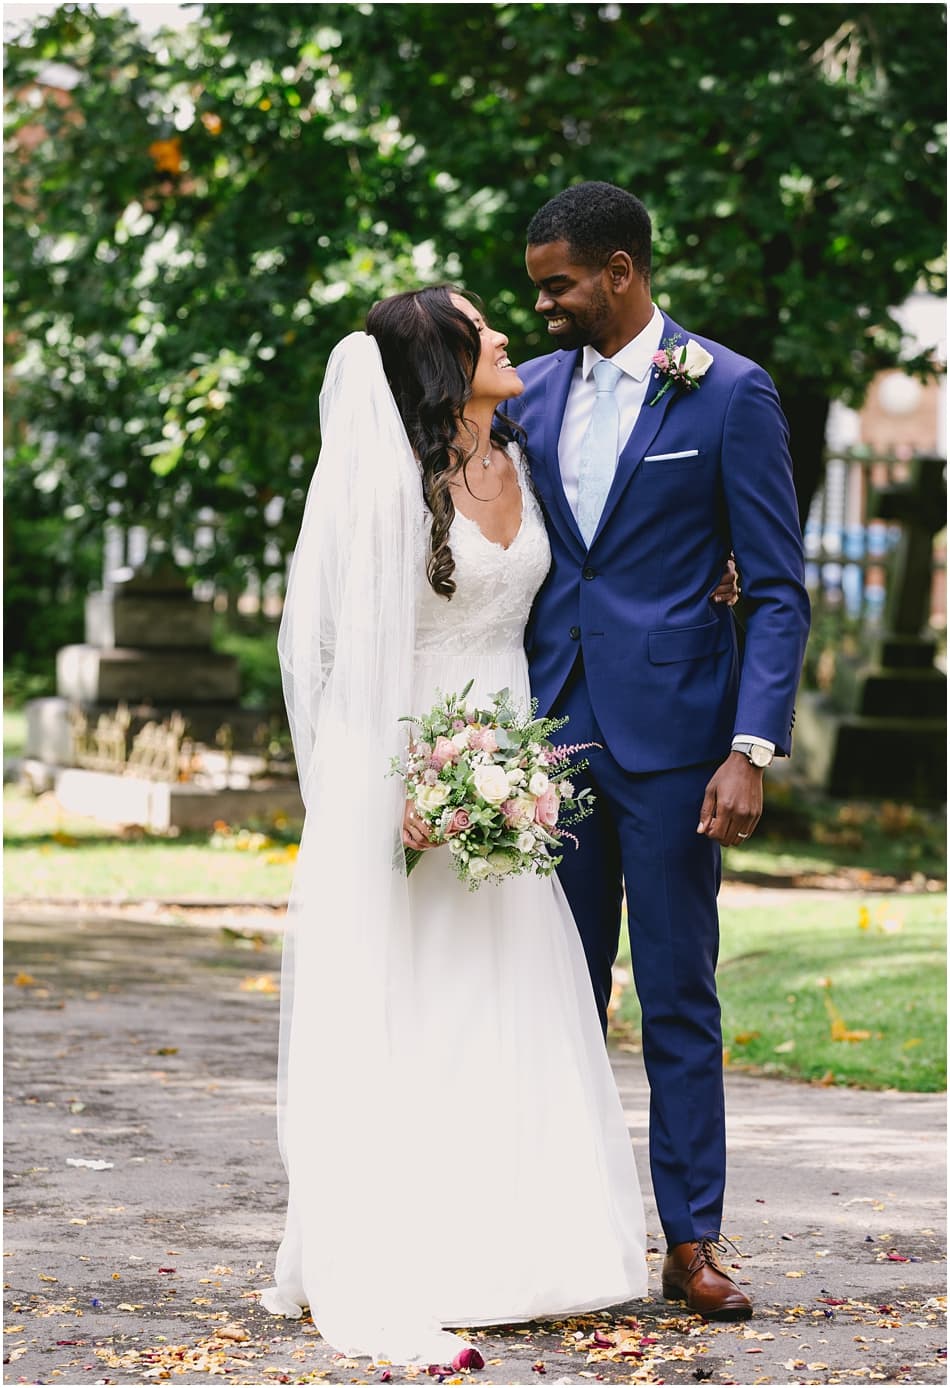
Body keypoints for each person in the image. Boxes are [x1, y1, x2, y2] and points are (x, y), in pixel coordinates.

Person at [261, 286, 655, 1367]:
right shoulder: (388, 484)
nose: (501, 336)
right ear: (441, 360)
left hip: (512, 756)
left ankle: (537, 1243)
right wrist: (390, 782)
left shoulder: (521, 460)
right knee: (424, 989)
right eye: (478, 328)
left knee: (513, 987)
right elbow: (334, 652)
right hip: (412, 762)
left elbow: (587, 580)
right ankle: (423, 1245)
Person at [504, 182, 811, 1321]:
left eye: (559, 284)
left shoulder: (727, 391)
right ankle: (553, 1232)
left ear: (621, 271)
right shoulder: (522, 398)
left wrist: (749, 746)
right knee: (551, 997)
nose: (542, 306)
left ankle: (692, 1240)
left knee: (677, 993)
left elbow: (775, 589)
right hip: (548, 738)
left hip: (681, 745)